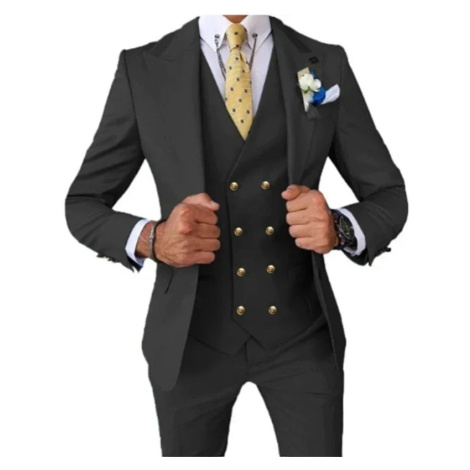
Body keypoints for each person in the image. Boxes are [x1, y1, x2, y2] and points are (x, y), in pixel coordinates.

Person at [65, 14, 408, 457]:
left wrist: (339, 228)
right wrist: (153, 238)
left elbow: (388, 195)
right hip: (189, 342)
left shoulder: (325, 62)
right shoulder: (143, 67)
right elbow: (83, 203)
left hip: (302, 337)